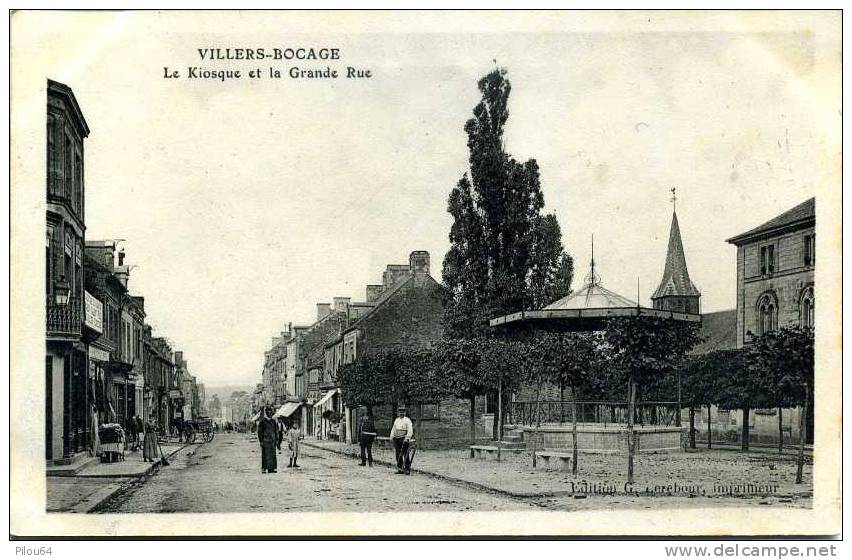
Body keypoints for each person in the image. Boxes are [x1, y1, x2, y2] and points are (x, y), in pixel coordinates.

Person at [390, 406, 414, 474]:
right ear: (398, 413)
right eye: (400, 412)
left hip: (404, 439)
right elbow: (394, 429)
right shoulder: (396, 420)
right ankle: (400, 469)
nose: (401, 413)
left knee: (405, 454)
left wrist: (407, 438)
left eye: (403, 412)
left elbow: (410, 430)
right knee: (398, 454)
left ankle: (407, 469)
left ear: (405, 413)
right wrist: (391, 436)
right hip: (397, 439)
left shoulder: (407, 420)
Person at [257, 406, 279, 473]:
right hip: (265, 440)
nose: (269, 413)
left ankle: (272, 468)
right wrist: (261, 441)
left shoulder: (273, 421)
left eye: (271, 412)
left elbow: (276, 431)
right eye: (268, 412)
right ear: (266, 413)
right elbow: (259, 432)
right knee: (265, 455)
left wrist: (277, 440)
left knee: (272, 455)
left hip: (272, 441)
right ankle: (264, 468)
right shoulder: (263, 421)